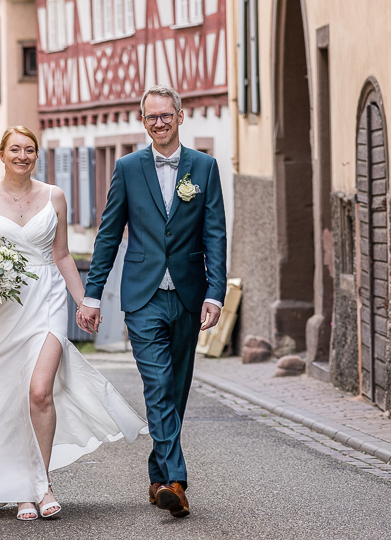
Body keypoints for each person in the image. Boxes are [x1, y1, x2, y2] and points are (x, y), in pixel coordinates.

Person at [0, 126, 147, 521]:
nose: (22, 156)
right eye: (15, 149)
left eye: (29, 150)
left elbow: (62, 254)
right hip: (3, 308)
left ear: (36, 155)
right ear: (1, 154)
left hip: (47, 299)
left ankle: (40, 483)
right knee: (7, 397)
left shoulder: (54, 196)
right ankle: (20, 489)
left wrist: (85, 301)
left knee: (40, 391)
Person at [77, 85, 227, 518]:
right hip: (143, 296)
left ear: (180, 116)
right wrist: (92, 294)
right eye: (151, 117)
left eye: (165, 115)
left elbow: (215, 233)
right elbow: (109, 234)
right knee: (158, 385)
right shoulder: (127, 168)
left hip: (188, 294)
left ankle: (157, 478)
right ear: (143, 121)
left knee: (175, 390)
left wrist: (215, 292)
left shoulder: (204, 166)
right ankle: (176, 481)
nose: (159, 123)